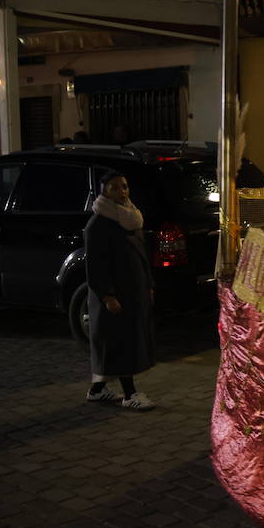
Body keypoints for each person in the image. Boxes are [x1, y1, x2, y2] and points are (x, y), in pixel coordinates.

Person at [84, 171, 156, 411]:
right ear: (104, 191)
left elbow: (141, 256)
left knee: (120, 341)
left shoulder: (129, 216)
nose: (122, 191)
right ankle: (129, 394)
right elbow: (95, 265)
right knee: (120, 341)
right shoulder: (99, 223)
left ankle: (97, 390)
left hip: (133, 289)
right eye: (114, 188)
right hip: (114, 294)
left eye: (124, 186)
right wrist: (107, 295)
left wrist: (148, 284)